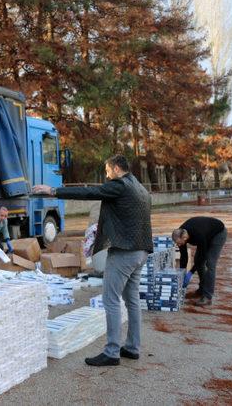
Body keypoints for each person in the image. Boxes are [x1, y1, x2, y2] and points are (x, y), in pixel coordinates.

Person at [33, 155, 152, 367]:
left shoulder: (121, 185)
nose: (106, 175)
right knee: (132, 300)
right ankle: (133, 347)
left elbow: (91, 192)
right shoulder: (140, 188)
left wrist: (54, 191)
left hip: (124, 252)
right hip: (141, 252)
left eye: (107, 170)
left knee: (111, 299)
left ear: (116, 169)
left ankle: (112, 351)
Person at [172, 217, 227, 306]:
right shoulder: (180, 233)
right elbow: (184, 256)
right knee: (197, 260)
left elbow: (202, 256)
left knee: (210, 263)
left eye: (179, 243)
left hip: (218, 233)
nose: (178, 245)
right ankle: (201, 290)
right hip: (207, 234)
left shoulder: (198, 234)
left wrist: (190, 273)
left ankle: (207, 296)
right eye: (177, 243)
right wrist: (182, 272)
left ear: (185, 237)